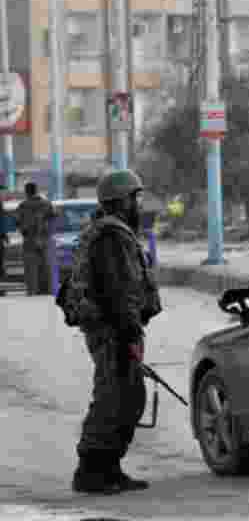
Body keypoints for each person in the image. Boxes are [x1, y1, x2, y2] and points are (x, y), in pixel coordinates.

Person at [72, 169, 163, 494]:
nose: (139, 204)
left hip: (117, 328)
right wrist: (129, 333)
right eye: (135, 198)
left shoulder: (114, 232)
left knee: (128, 398)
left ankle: (110, 468)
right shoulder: (112, 238)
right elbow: (118, 289)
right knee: (113, 398)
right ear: (122, 202)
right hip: (114, 330)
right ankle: (90, 471)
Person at [15, 182, 56, 295]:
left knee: (30, 269)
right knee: (47, 267)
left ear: (26, 191)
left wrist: (26, 230)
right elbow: (53, 218)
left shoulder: (22, 205)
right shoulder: (47, 204)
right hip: (45, 239)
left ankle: (32, 291)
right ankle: (48, 291)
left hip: (29, 240)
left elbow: (18, 223)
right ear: (37, 190)